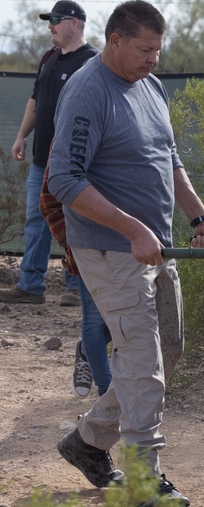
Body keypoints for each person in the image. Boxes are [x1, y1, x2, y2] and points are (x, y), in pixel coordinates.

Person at [48, 0, 204, 507]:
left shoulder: (150, 86)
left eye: (158, 51)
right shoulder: (86, 91)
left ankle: (87, 441)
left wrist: (198, 215)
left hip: (155, 244)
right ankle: (145, 478)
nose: (153, 60)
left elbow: (169, 158)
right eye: (145, 50)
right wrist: (132, 227)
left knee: (167, 349)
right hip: (107, 247)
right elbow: (64, 179)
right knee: (143, 361)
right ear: (115, 40)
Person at [1, 0, 97, 314]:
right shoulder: (48, 58)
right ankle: (31, 285)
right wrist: (20, 136)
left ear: (74, 22)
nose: (49, 25)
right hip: (42, 160)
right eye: (49, 19)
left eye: (55, 19)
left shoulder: (93, 61)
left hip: (75, 165)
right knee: (36, 222)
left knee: (77, 222)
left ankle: (75, 286)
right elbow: (35, 99)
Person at [39, 167, 113, 397]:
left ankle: (87, 349)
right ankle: (106, 395)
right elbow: (48, 201)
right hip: (85, 248)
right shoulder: (71, 134)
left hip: (129, 248)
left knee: (124, 321)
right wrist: (72, 242)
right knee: (94, 322)